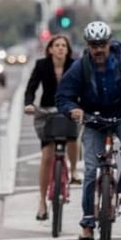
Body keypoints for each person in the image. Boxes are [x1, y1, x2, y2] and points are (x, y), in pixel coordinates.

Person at [56, 20, 121, 240]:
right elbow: (63, 96)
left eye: (102, 44)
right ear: (88, 45)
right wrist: (74, 110)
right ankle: (87, 222)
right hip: (93, 118)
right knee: (90, 171)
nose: (98, 49)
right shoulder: (80, 67)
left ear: (109, 43)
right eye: (94, 45)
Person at [23, 34, 78, 221]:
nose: (61, 48)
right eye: (57, 45)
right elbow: (31, 88)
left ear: (68, 50)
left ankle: (74, 171)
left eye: (64, 45)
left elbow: (84, 87)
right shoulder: (41, 65)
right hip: (47, 111)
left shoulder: (75, 65)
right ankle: (42, 201)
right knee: (47, 156)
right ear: (50, 49)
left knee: (73, 138)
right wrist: (29, 104)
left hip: (69, 110)